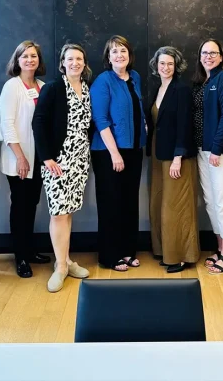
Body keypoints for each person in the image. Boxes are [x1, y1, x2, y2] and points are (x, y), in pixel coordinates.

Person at [32, 44, 92, 292]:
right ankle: (60, 267)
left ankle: (66, 259)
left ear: (84, 63)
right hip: (57, 161)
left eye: (79, 58)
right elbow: (38, 121)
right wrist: (46, 158)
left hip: (79, 160)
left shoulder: (86, 88)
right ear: (62, 63)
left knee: (68, 211)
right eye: (70, 59)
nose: (75, 62)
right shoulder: (54, 88)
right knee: (58, 212)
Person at [91, 35, 146, 272]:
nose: (119, 55)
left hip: (134, 149)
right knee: (111, 203)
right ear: (108, 57)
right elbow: (101, 120)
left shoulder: (135, 78)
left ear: (129, 55)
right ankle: (110, 256)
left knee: (129, 202)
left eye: (123, 50)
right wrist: (115, 154)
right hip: (108, 152)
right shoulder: (103, 81)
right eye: (114, 51)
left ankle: (127, 251)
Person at [146, 46, 200, 274]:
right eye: (162, 63)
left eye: (170, 63)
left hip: (177, 156)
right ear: (156, 66)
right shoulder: (159, 88)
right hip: (158, 154)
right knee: (158, 204)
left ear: (176, 66)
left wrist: (178, 157)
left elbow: (185, 126)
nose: (165, 67)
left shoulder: (182, 89)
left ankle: (179, 256)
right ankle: (164, 251)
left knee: (175, 207)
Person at [0, 40, 50, 278]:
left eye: (34, 56)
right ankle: (20, 257)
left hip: (38, 159)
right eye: (25, 56)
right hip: (20, 159)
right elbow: (7, 124)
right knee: (20, 207)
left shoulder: (42, 85)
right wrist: (20, 157)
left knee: (31, 206)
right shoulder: (12, 86)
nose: (30, 60)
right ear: (17, 60)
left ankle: (29, 251)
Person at [193, 38, 223, 275]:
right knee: (211, 203)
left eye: (213, 53)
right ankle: (220, 248)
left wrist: (217, 148)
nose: (208, 56)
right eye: (204, 53)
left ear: (222, 56)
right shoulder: (205, 81)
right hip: (204, 151)